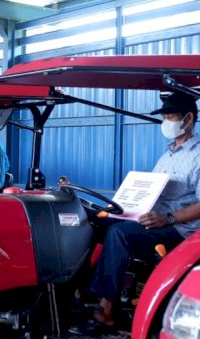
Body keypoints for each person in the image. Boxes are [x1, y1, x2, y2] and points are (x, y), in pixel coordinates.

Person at [72, 92, 200, 334]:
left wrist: (168, 218)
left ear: (188, 118)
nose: (166, 123)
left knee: (120, 233)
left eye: (170, 116)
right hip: (155, 220)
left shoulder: (198, 155)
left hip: (180, 228)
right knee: (97, 223)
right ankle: (79, 293)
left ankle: (105, 308)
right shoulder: (169, 153)